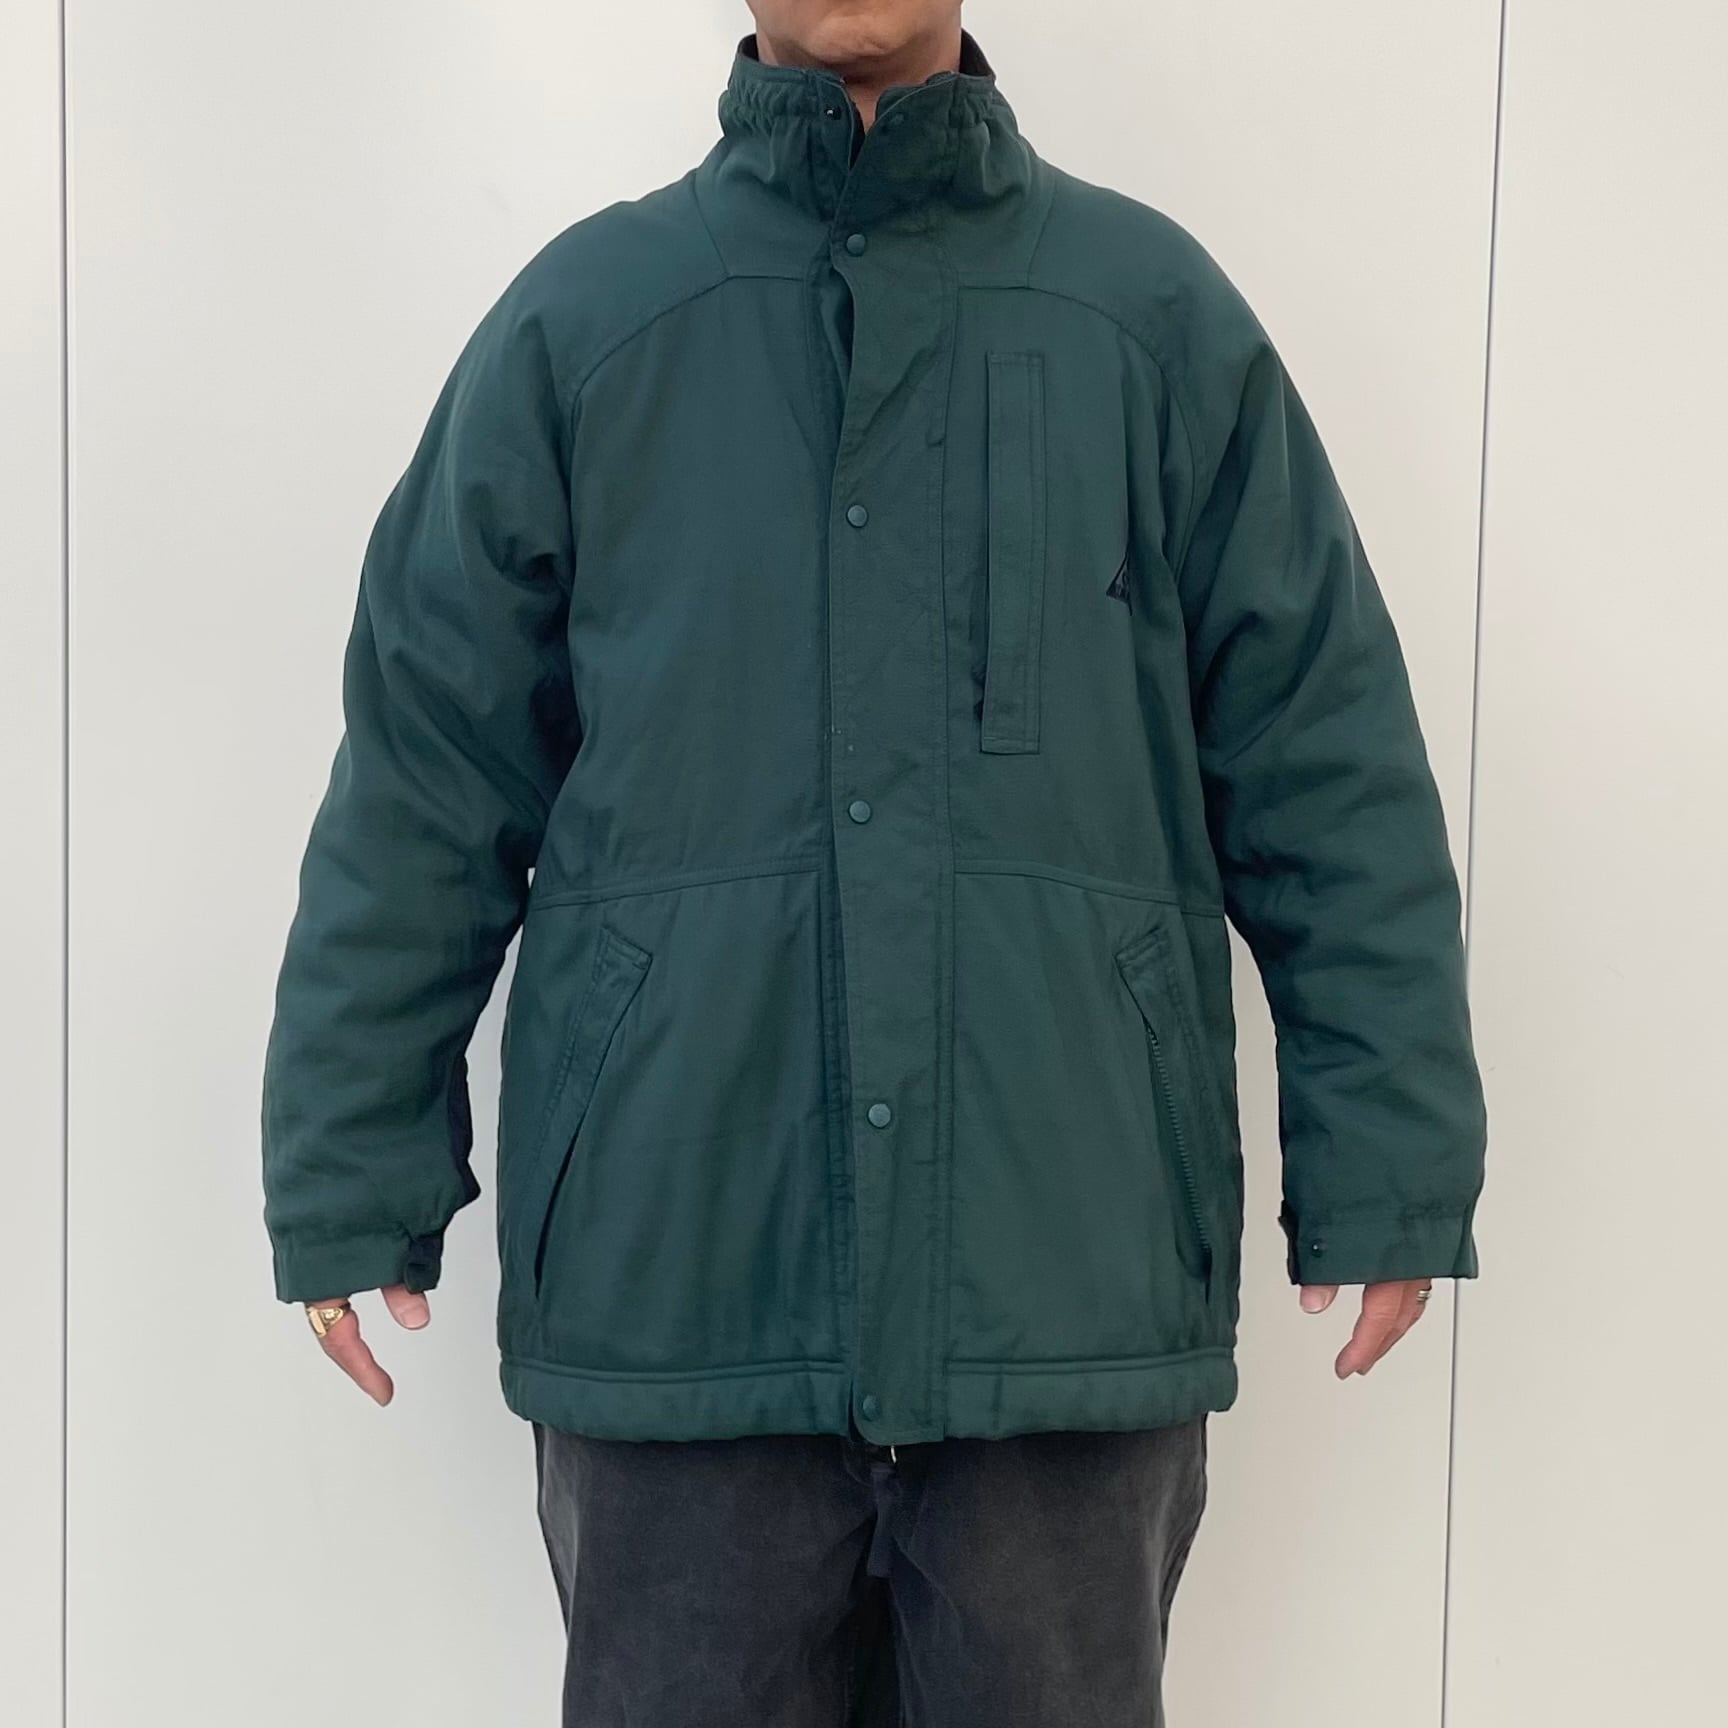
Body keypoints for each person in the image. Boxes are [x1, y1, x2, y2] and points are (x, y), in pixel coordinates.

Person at [262, 3, 1489, 1723]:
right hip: (683, 1295)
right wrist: (351, 1160)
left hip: (1058, 1298)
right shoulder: (588, 327)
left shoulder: (1148, 320)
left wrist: (1390, 1155)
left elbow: (1323, 754)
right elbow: (424, 772)